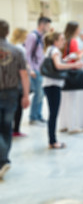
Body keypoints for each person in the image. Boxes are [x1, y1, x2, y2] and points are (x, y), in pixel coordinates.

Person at [42, 32, 83, 149]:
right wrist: (74, 65)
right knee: (53, 114)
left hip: (49, 85)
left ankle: (52, 140)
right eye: (61, 39)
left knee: (53, 113)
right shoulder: (55, 50)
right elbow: (58, 66)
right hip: (53, 85)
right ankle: (53, 141)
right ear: (55, 41)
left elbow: (57, 64)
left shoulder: (50, 50)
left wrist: (66, 59)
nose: (63, 41)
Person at [0, 20, 30, 179]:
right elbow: (23, 74)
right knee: (6, 127)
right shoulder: (17, 51)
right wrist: (25, 95)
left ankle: (2, 160)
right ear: (7, 32)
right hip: (12, 93)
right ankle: (3, 160)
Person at [25, 16, 52, 125]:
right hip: (35, 70)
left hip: (41, 70)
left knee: (41, 94)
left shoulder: (41, 37)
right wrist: (30, 69)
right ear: (42, 25)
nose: (49, 28)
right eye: (48, 26)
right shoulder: (32, 36)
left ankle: (38, 115)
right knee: (38, 93)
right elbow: (27, 54)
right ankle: (33, 117)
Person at [10, 28, 28, 137]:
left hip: (10, 81)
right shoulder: (21, 49)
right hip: (18, 81)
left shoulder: (10, 47)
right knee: (18, 106)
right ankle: (16, 129)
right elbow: (23, 67)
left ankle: (12, 128)